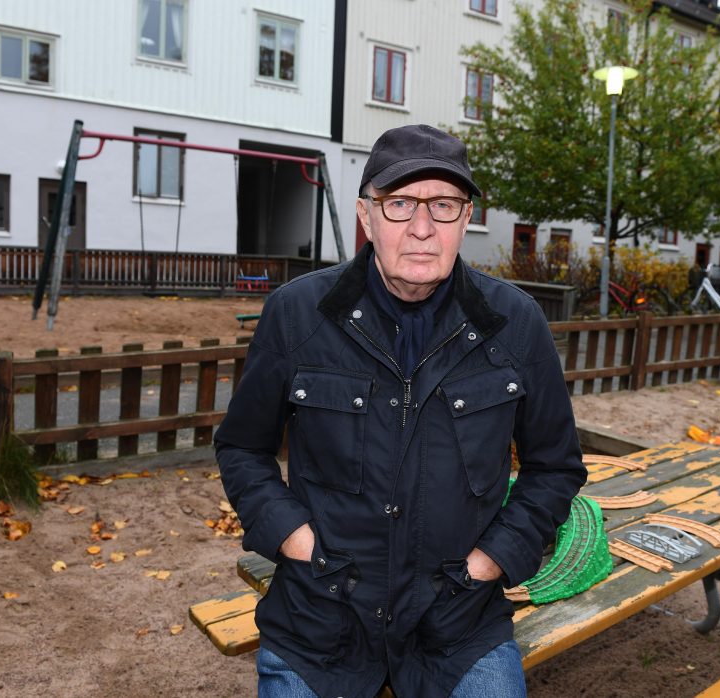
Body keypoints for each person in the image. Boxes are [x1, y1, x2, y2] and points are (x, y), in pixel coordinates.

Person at [214, 124, 586, 698]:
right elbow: (243, 448)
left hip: (458, 625)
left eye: (443, 205)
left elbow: (555, 468)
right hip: (320, 622)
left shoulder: (515, 324)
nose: (422, 228)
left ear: (466, 219)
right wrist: (295, 541)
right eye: (400, 204)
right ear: (366, 216)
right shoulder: (297, 315)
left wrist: (490, 562)